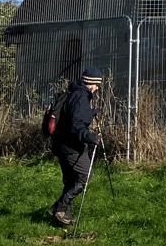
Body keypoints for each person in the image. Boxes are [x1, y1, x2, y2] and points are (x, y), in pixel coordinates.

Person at [49, 68, 103, 227]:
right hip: (72, 146)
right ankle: (59, 208)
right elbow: (76, 124)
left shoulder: (73, 92)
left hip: (60, 142)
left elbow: (72, 115)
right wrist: (89, 137)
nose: (97, 88)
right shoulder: (81, 97)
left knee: (71, 180)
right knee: (84, 177)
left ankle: (63, 215)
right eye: (96, 84)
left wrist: (90, 113)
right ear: (90, 83)